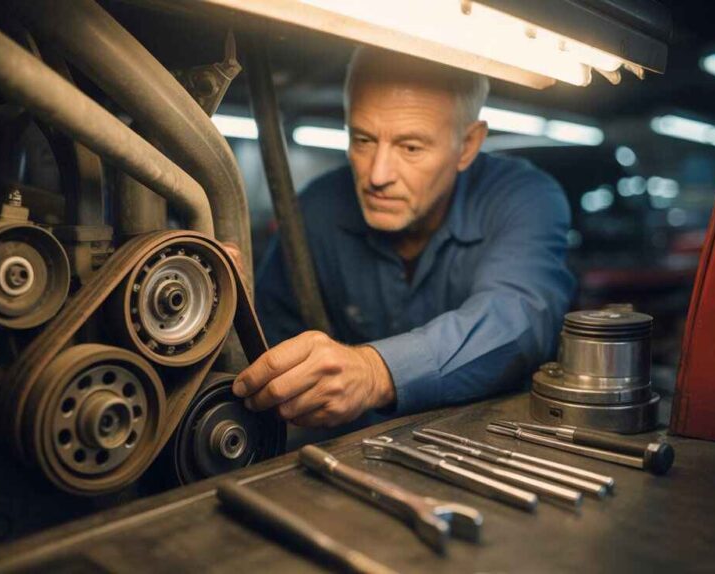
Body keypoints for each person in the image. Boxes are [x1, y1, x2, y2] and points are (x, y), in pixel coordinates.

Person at [232, 47, 575, 429]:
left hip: (491, 441)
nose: (378, 175)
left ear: (468, 145)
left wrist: (374, 371)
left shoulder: (523, 197)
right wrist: (229, 305)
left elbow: (519, 319)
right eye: (363, 140)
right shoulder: (316, 209)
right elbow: (265, 347)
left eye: (410, 147)